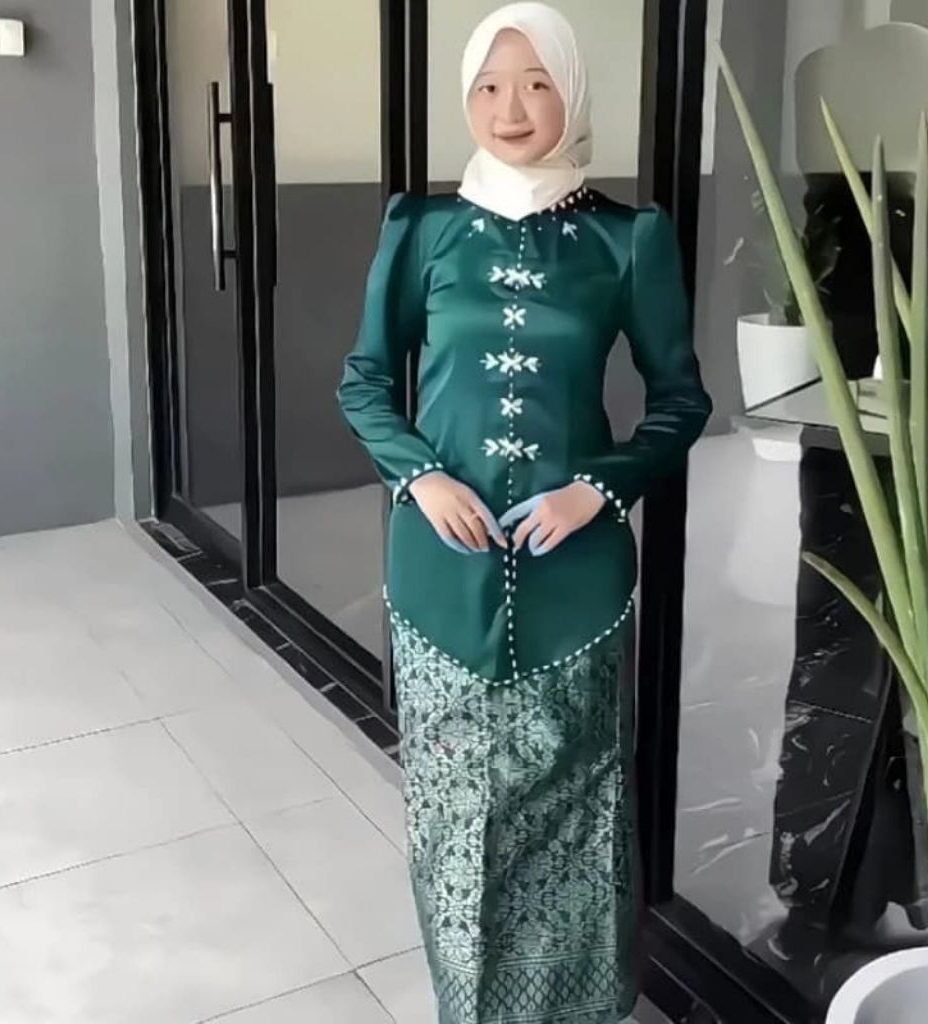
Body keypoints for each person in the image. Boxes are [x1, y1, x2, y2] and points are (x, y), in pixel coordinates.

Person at [337, 4, 711, 1021]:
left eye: (538, 83)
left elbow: (681, 400)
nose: (511, 108)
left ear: (572, 95)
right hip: (439, 571)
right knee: (454, 814)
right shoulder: (422, 229)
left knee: (581, 808)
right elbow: (364, 380)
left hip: (576, 575)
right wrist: (420, 476)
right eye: (490, 86)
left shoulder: (627, 239)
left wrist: (602, 486)